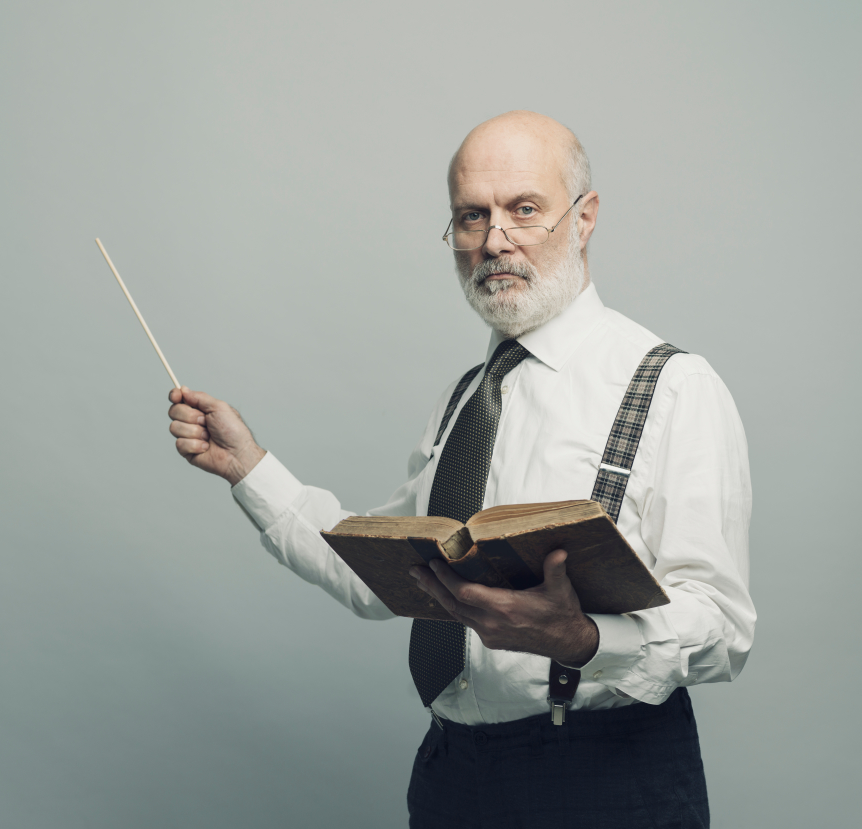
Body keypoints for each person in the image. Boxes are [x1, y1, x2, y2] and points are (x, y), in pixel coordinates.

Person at [166, 111, 754, 828]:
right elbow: (384, 574)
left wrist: (585, 640)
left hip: (605, 777)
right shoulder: (465, 399)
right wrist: (249, 468)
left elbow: (723, 628)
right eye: (471, 216)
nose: (495, 239)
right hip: (452, 777)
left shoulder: (671, 386)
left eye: (523, 209)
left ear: (586, 216)